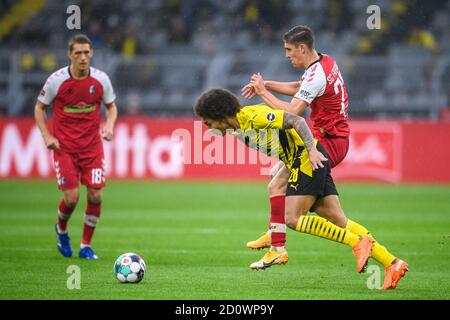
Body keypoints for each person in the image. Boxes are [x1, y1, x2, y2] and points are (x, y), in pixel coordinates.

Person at [194, 88, 408, 290]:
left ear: (220, 114)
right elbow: (280, 135)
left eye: (207, 120)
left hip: (308, 158)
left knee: (292, 218)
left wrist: (311, 150)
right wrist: (283, 162)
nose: (206, 125)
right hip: (298, 158)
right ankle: (393, 263)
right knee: (336, 219)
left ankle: (352, 242)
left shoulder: (252, 118)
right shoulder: (237, 126)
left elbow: (296, 120)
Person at [241, 25, 353, 258]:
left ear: (302, 48)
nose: (287, 54)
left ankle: (277, 241)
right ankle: (379, 253)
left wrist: (263, 93)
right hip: (328, 137)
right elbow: (299, 88)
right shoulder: (324, 63)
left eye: (289, 49)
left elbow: (292, 112)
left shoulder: (317, 75)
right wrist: (267, 84)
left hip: (328, 143)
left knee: (290, 206)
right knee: (333, 216)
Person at [34, 34, 118, 260]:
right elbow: (39, 108)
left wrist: (109, 126)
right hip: (65, 149)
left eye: (86, 52)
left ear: (92, 53)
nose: (83, 57)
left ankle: (85, 246)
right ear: (69, 55)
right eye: (78, 53)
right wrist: (47, 136)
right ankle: (61, 229)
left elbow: (111, 107)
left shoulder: (101, 80)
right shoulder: (57, 81)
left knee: (96, 196)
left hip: (92, 148)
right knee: (71, 198)